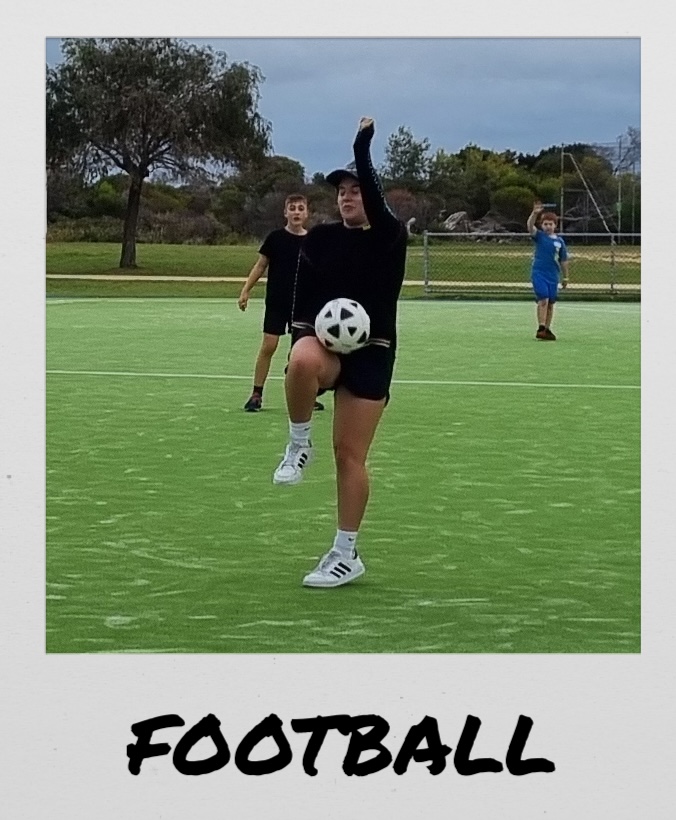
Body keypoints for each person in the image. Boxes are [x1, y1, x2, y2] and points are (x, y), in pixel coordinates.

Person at [272, 117, 408, 588]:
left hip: (373, 353)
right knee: (302, 359)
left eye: (355, 189)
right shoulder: (321, 239)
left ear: (371, 196)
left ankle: (346, 553)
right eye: (341, 191)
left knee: (349, 454)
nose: (348, 196)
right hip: (324, 345)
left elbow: (375, 192)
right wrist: (304, 374)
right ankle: (297, 442)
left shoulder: (389, 238)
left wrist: (361, 146)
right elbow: (302, 305)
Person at [238, 193, 324, 412]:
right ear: (285, 212)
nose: (296, 212)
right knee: (269, 345)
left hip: (304, 305)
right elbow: (260, 266)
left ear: (307, 213)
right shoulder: (275, 238)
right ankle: (256, 394)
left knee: (300, 352)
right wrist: (246, 290)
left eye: (300, 208)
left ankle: (305, 394)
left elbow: (321, 271)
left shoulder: (314, 240)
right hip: (277, 302)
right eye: (292, 208)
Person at [527, 201, 570, 340]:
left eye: (550, 224)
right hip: (539, 272)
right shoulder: (539, 236)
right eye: (545, 224)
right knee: (543, 299)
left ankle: (547, 328)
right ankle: (541, 326)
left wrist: (566, 277)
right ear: (542, 225)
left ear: (555, 226)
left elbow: (563, 260)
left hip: (553, 275)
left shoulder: (560, 242)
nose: (548, 226)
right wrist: (534, 213)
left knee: (551, 302)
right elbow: (529, 226)